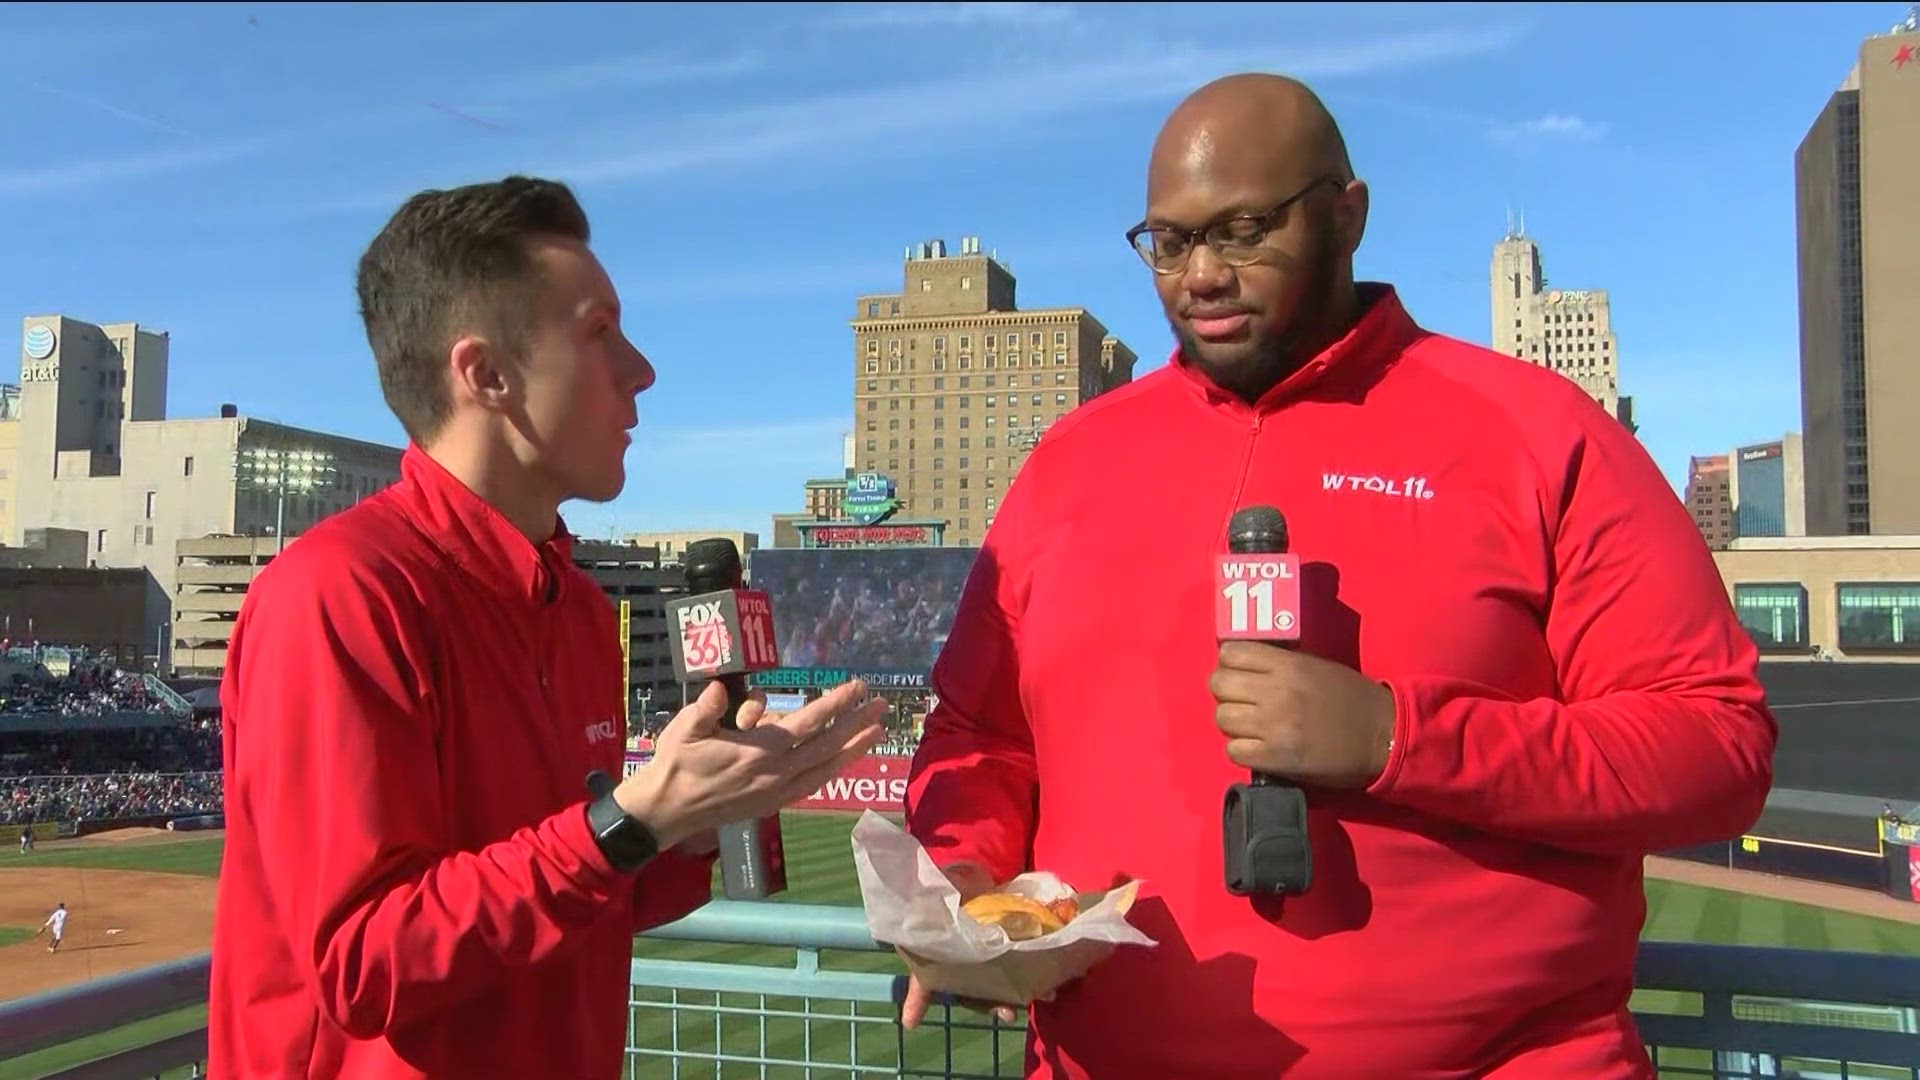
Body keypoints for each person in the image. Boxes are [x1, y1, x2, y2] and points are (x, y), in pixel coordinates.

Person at [899, 74, 1777, 1078]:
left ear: (1348, 213)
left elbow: (1718, 746)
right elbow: (980, 734)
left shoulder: (1539, 435)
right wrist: (962, 868)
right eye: (1170, 242)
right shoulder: (1070, 464)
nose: (1202, 276)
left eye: (1243, 230)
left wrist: (1399, 736)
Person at [208, 176, 887, 1080]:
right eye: (600, 333)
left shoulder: (574, 609)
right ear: (486, 374)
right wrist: (622, 825)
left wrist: (693, 821)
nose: (641, 369)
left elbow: (566, 896)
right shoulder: (339, 595)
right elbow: (361, 963)